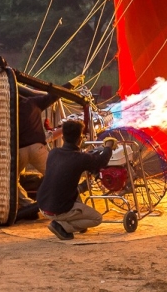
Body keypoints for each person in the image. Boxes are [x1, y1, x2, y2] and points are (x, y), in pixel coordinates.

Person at [36, 120, 117, 240]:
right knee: (96, 218)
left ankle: (72, 222)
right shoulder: (80, 158)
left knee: (74, 191)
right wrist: (108, 146)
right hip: (58, 209)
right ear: (80, 139)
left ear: (63, 137)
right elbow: (101, 162)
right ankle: (62, 226)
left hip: (43, 205)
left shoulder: (53, 153)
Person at [17, 74, 85, 210]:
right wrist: (70, 84)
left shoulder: (6, 108)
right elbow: (54, 95)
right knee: (56, 175)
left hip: (18, 149)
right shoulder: (33, 102)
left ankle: (27, 205)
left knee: (12, 180)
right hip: (37, 148)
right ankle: (75, 204)